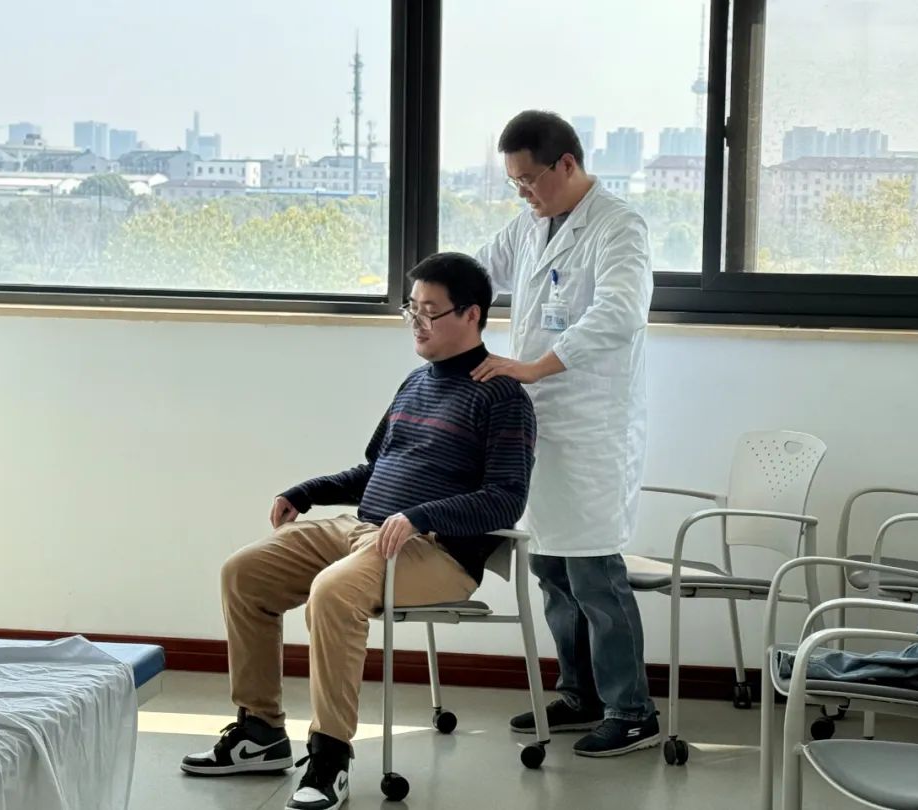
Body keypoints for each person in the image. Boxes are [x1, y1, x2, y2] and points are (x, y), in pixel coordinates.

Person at [180, 252, 537, 810]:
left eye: (430, 311)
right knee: (243, 573)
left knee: (333, 592)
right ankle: (260, 734)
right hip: (365, 528)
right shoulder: (415, 383)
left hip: (437, 552)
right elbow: (376, 470)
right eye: (411, 310)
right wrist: (308, 491)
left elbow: (507, 497)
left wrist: (422, 516)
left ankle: (329, 759)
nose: (417, 322)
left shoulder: (503, 397)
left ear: (472, 315)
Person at [473, 110, 657, 757]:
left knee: (594, 574)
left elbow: (619, 313)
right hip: (541, 426)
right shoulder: (531, 224)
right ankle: (580, 694)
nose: (522, 192)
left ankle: (632, 710)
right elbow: (479, 272)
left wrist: (533, 366)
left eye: (529, 179)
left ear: (567, 165)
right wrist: (433, 295)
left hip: (592, 427)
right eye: (514, 182)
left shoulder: (618, 226)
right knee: (549, 566)